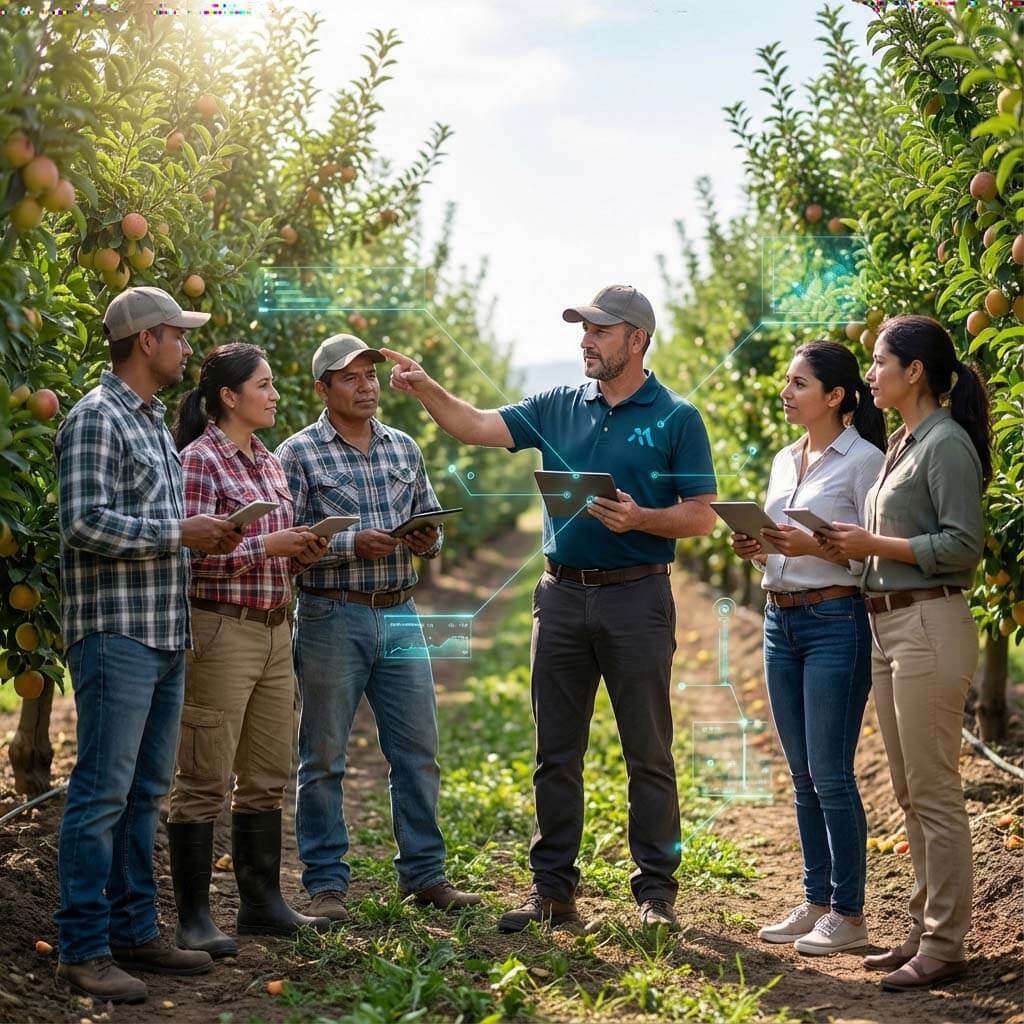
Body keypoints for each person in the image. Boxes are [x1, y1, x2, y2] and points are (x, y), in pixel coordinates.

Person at [382, 284, 717, 932]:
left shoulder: (678, 417)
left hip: (637, 596)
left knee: (647, 751)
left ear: (637, 338)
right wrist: (424, 387)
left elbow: (703, 515)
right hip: (559, 596)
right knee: (554, 752)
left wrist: (641, 518)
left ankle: (655, 897)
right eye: (582, 330)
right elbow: (475, 424)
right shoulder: (557, 406)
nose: (585, 340)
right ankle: (553, 893)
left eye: (599, 330)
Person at [54, 287, 243, 1004]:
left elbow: (151, 529)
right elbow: (82, 523)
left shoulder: (152, 423)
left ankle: (134, 930)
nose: (187, 348)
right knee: (102, 794)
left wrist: (208, 534)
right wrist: (178, 533)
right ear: (145, 341)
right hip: (117, 635)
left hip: (165, 632)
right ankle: (82, 946)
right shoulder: (96, 419)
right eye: (178, 336)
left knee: (144, 796)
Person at [275, 333, 481, 922]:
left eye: (370, 376)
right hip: (329, 612)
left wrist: (427, 537)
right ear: (322, 389)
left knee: (417, 750)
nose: (366, 388)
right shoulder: (298, 455)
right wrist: (347, 544)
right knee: (323, 756)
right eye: (350, 379)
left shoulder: (403, 447)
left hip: (400, 611)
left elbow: (432, 521)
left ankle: (424, 874)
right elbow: (287, 546)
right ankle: (326, 884)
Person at [818, 315, 990, 991]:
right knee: (910, 791)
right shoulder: (904, 443)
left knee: (936, 791)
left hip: (929, 626)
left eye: (879, 363)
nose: (870, 375)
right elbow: (895, 541)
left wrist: (873, 546)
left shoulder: (944, 443)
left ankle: (947, 943)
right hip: (892, 626)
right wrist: (838, 545)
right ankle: (923, 928)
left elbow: (962, 545)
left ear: (913, 371)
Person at [167, 343, 331, 957]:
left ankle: (261, 905)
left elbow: (273, 545)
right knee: (204, 775)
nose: (274, 394)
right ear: (229, 397)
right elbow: (186, 556)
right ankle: (194, 919)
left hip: (274, 629)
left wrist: (303, 548)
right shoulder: (198, 461)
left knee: (266, 775)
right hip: (221, 630)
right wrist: (266, 549)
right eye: (263, 385)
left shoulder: (269, 461)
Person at [729, 341, 885, 955]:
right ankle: (817, 899)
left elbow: (873, 548)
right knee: (801, 775)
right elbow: (782, 543)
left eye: (799, 384)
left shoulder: (866, 461)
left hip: (833, 621)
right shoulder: (783, 459)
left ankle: (849, 914)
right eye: (787, 382)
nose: (786, 393)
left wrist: (809, 549)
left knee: (831, 773)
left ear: (836, 395)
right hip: (779, 622)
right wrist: (760, 548)